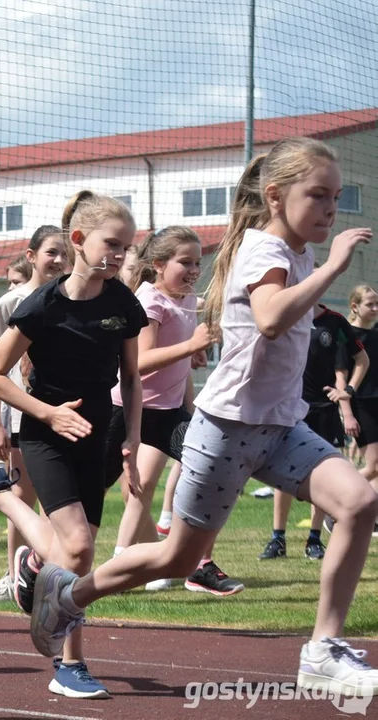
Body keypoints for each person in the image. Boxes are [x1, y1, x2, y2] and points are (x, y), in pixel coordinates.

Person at [24, 137, 378, 696]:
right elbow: (269, 319)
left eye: (336, 196)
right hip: (228, 430)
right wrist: (334, 267)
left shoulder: (301, 253)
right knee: (176, 557)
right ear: (277, 197)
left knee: (359, 501)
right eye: (319, 195)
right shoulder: (264, 251)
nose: (331, 209)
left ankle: (322, 650)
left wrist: (322, 264)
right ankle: (67, 596)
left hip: (283, 428)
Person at [0, 190, 146, 698]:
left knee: (73, 557)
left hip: (98, 430)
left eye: (127, 246)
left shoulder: (123, 301)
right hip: (44, 431)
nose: (121, 255)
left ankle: (9, 516)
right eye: (112, 244)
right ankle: (70, 663)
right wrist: (46, 413)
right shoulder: (41, 304)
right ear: (79, 240)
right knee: (78, 550)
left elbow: (131, 377)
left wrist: (130, 438)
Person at [103, 226, 242, 596]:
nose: (195, 269)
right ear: (159, 265)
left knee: (212, 469)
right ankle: (124, 563)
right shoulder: (149, 301)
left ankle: (197, 564)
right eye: (186, 262)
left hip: (168, 413)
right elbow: (139, 363)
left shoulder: (186, 299)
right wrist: (189, 346)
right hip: (126, 409)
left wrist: (191, 403)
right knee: (103, 486)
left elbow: (177, 366)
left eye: (198, 262)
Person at [0, 225, 68, 605]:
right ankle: (11, 572)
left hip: (63, 411)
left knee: (60, 497)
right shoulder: (12, 302)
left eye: (65, 252)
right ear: (31, 256)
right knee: (23, 493)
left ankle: (46, 570)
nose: (60, 260)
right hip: (22, 415)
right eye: (51, 252)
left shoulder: (75, 297)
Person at [258, 299, 367, 561]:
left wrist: (347, 392)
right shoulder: (284, 316)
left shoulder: (335, 321)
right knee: (283, 475)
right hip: (289, 409)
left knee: (322, 476)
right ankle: (278, 538)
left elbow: (361, 359)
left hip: (323, 409)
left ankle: (314, 539)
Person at [345, 285, 378, 505]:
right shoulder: (347, 335)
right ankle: (338, 499)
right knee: (373, 466)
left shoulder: (375, 334)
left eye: (377, 304)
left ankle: (371, 515)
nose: (375, 308)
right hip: (362, 405)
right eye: (370, 304)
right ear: (355, 307)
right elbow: (341, 379)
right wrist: (346, 413)